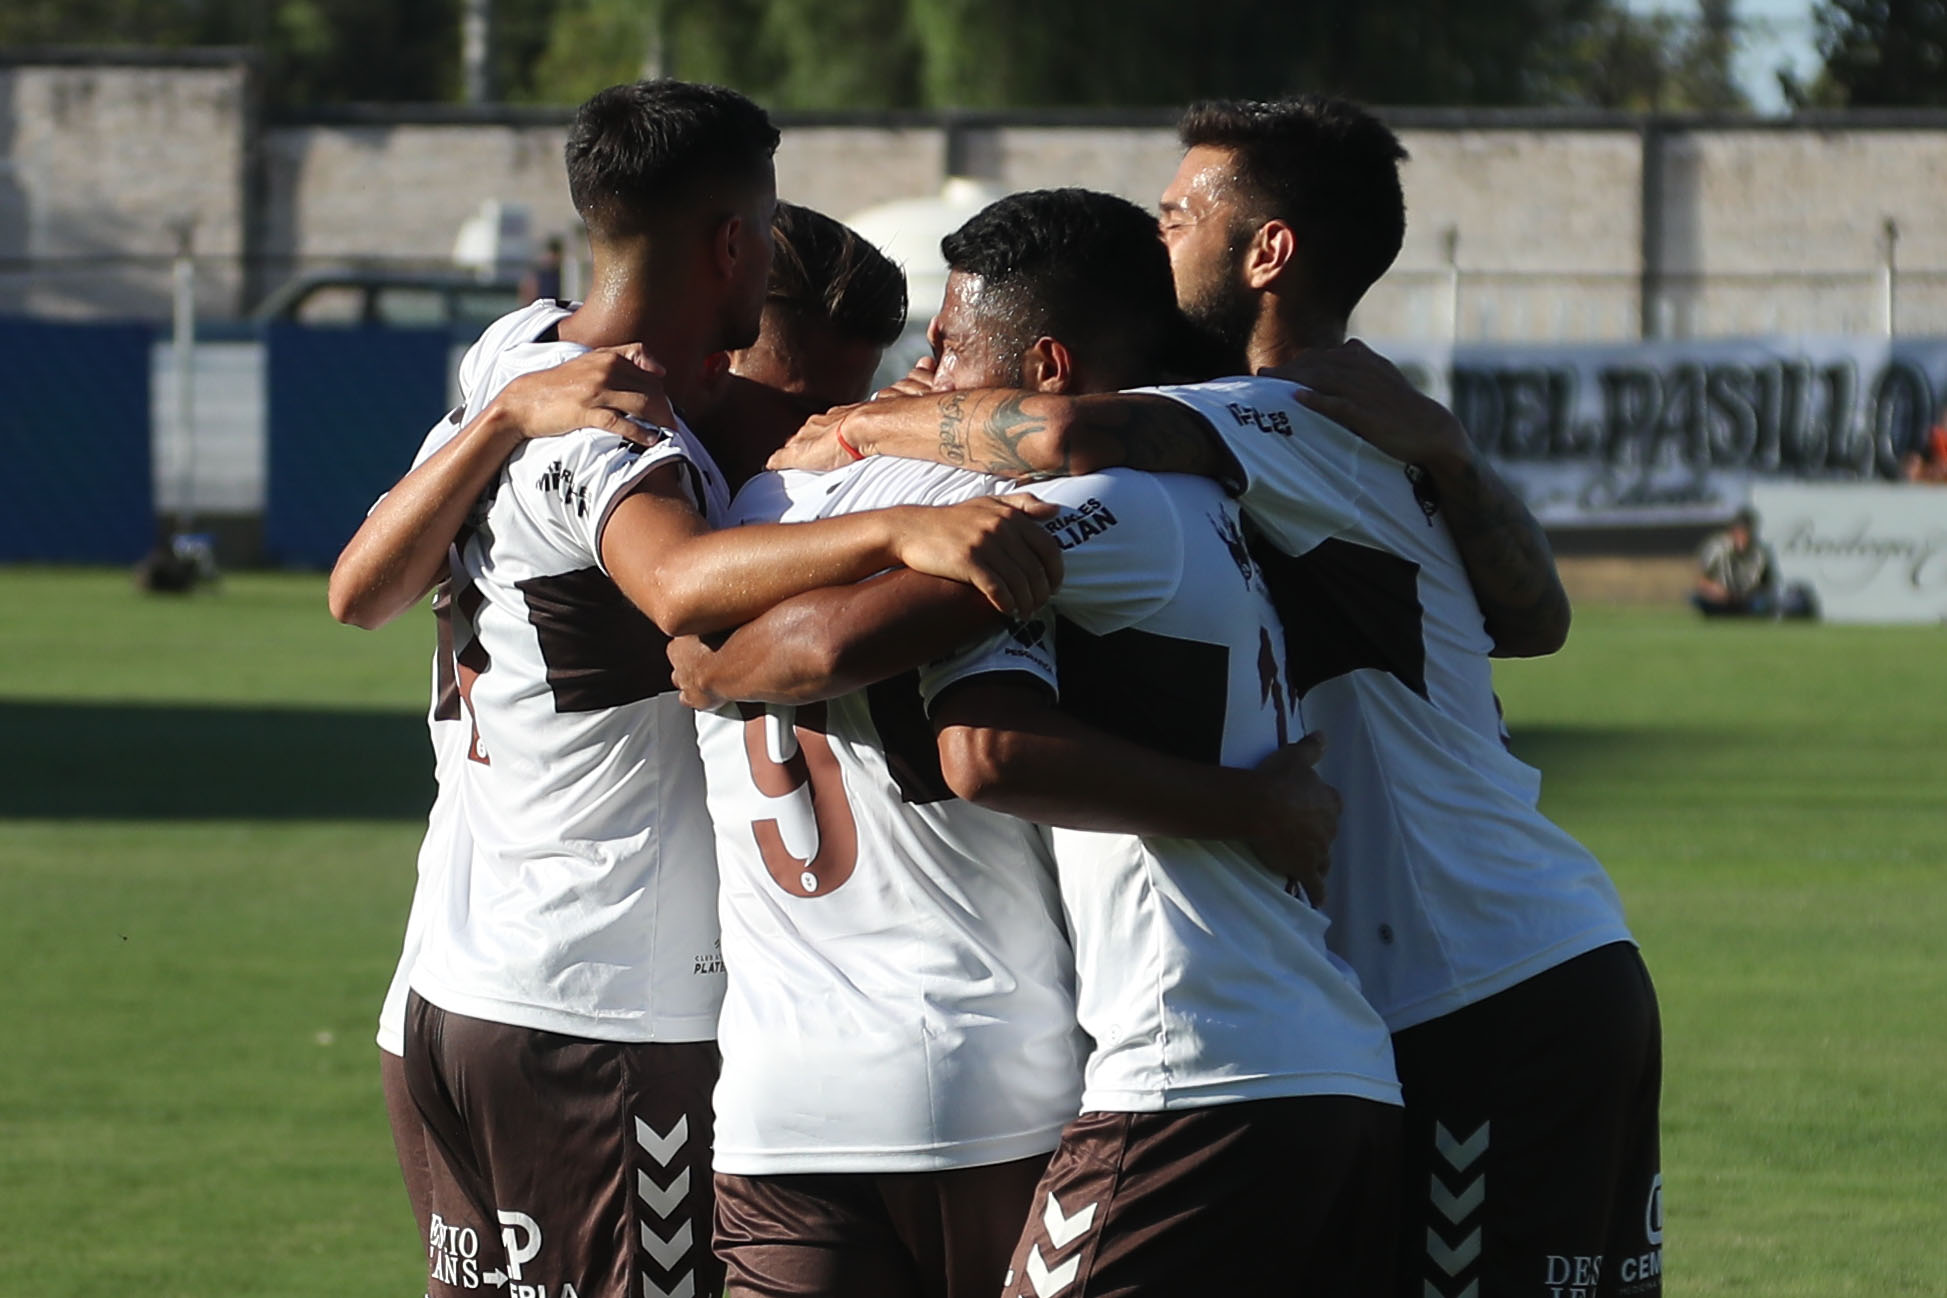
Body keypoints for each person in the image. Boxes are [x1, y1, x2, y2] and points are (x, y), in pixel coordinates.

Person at [770, 97, 1663, 1298]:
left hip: (1473, 980)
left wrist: (866, 430)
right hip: (1497, 969)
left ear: (1268, 252)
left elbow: (1068, 430)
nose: (1158, 237)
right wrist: (1451, 454)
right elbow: (1538, 619)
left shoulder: (1278, 414)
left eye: (1179, 215)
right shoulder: (1363, 424)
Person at [329, 80, 1060, 1298]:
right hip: (599, 1004)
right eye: (807, 404)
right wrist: (900, 530)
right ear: (732, 245)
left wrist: (499, 418)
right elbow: (678, 587)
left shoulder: (523, 354)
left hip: (446, 985)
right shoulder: (627, 442)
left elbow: (357, 589)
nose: (817, 436)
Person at [672, 187, 1402, 1297]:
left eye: (946, 348)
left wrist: (708, 663)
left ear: (1045, 366)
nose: (927, 379)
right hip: (1216, 1055)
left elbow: (894, 687)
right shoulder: (1197, 489)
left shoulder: (1067, 505)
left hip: (1182, 1065)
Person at [1693, 505, 1812, 618]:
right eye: (1738, 532)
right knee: (1698, 598)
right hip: (1721, 599)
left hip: (1747, 599)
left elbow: (1766, 584)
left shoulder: (1759, 553)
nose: (1741, 537)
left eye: (1745, 532)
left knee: (1764, 603)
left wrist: (1748, 594)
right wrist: (1715, 590)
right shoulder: (1717, 549)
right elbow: (1701, 581)